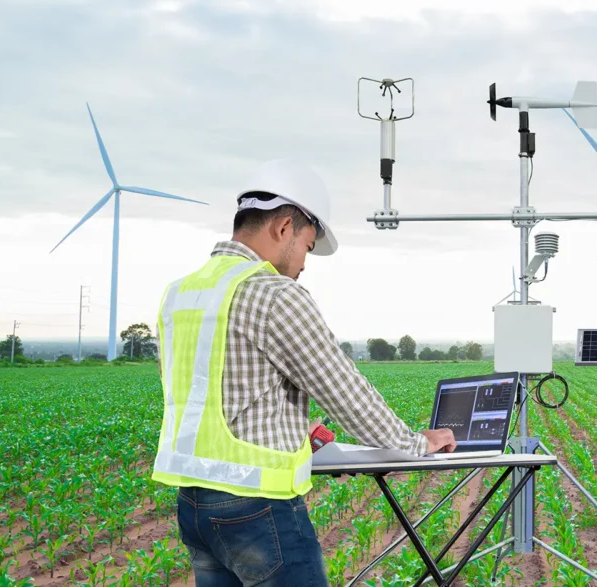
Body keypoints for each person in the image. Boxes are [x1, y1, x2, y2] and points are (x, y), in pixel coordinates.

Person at [151, 158, 457, 586]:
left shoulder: (181, 294)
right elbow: (346, 393)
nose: (304, 264)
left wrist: (291, 429)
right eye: (308, 247)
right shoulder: (273, 293)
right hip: (257, 507)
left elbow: (206, 391)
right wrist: (416, 443)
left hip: (194, 505)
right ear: (284, 227)